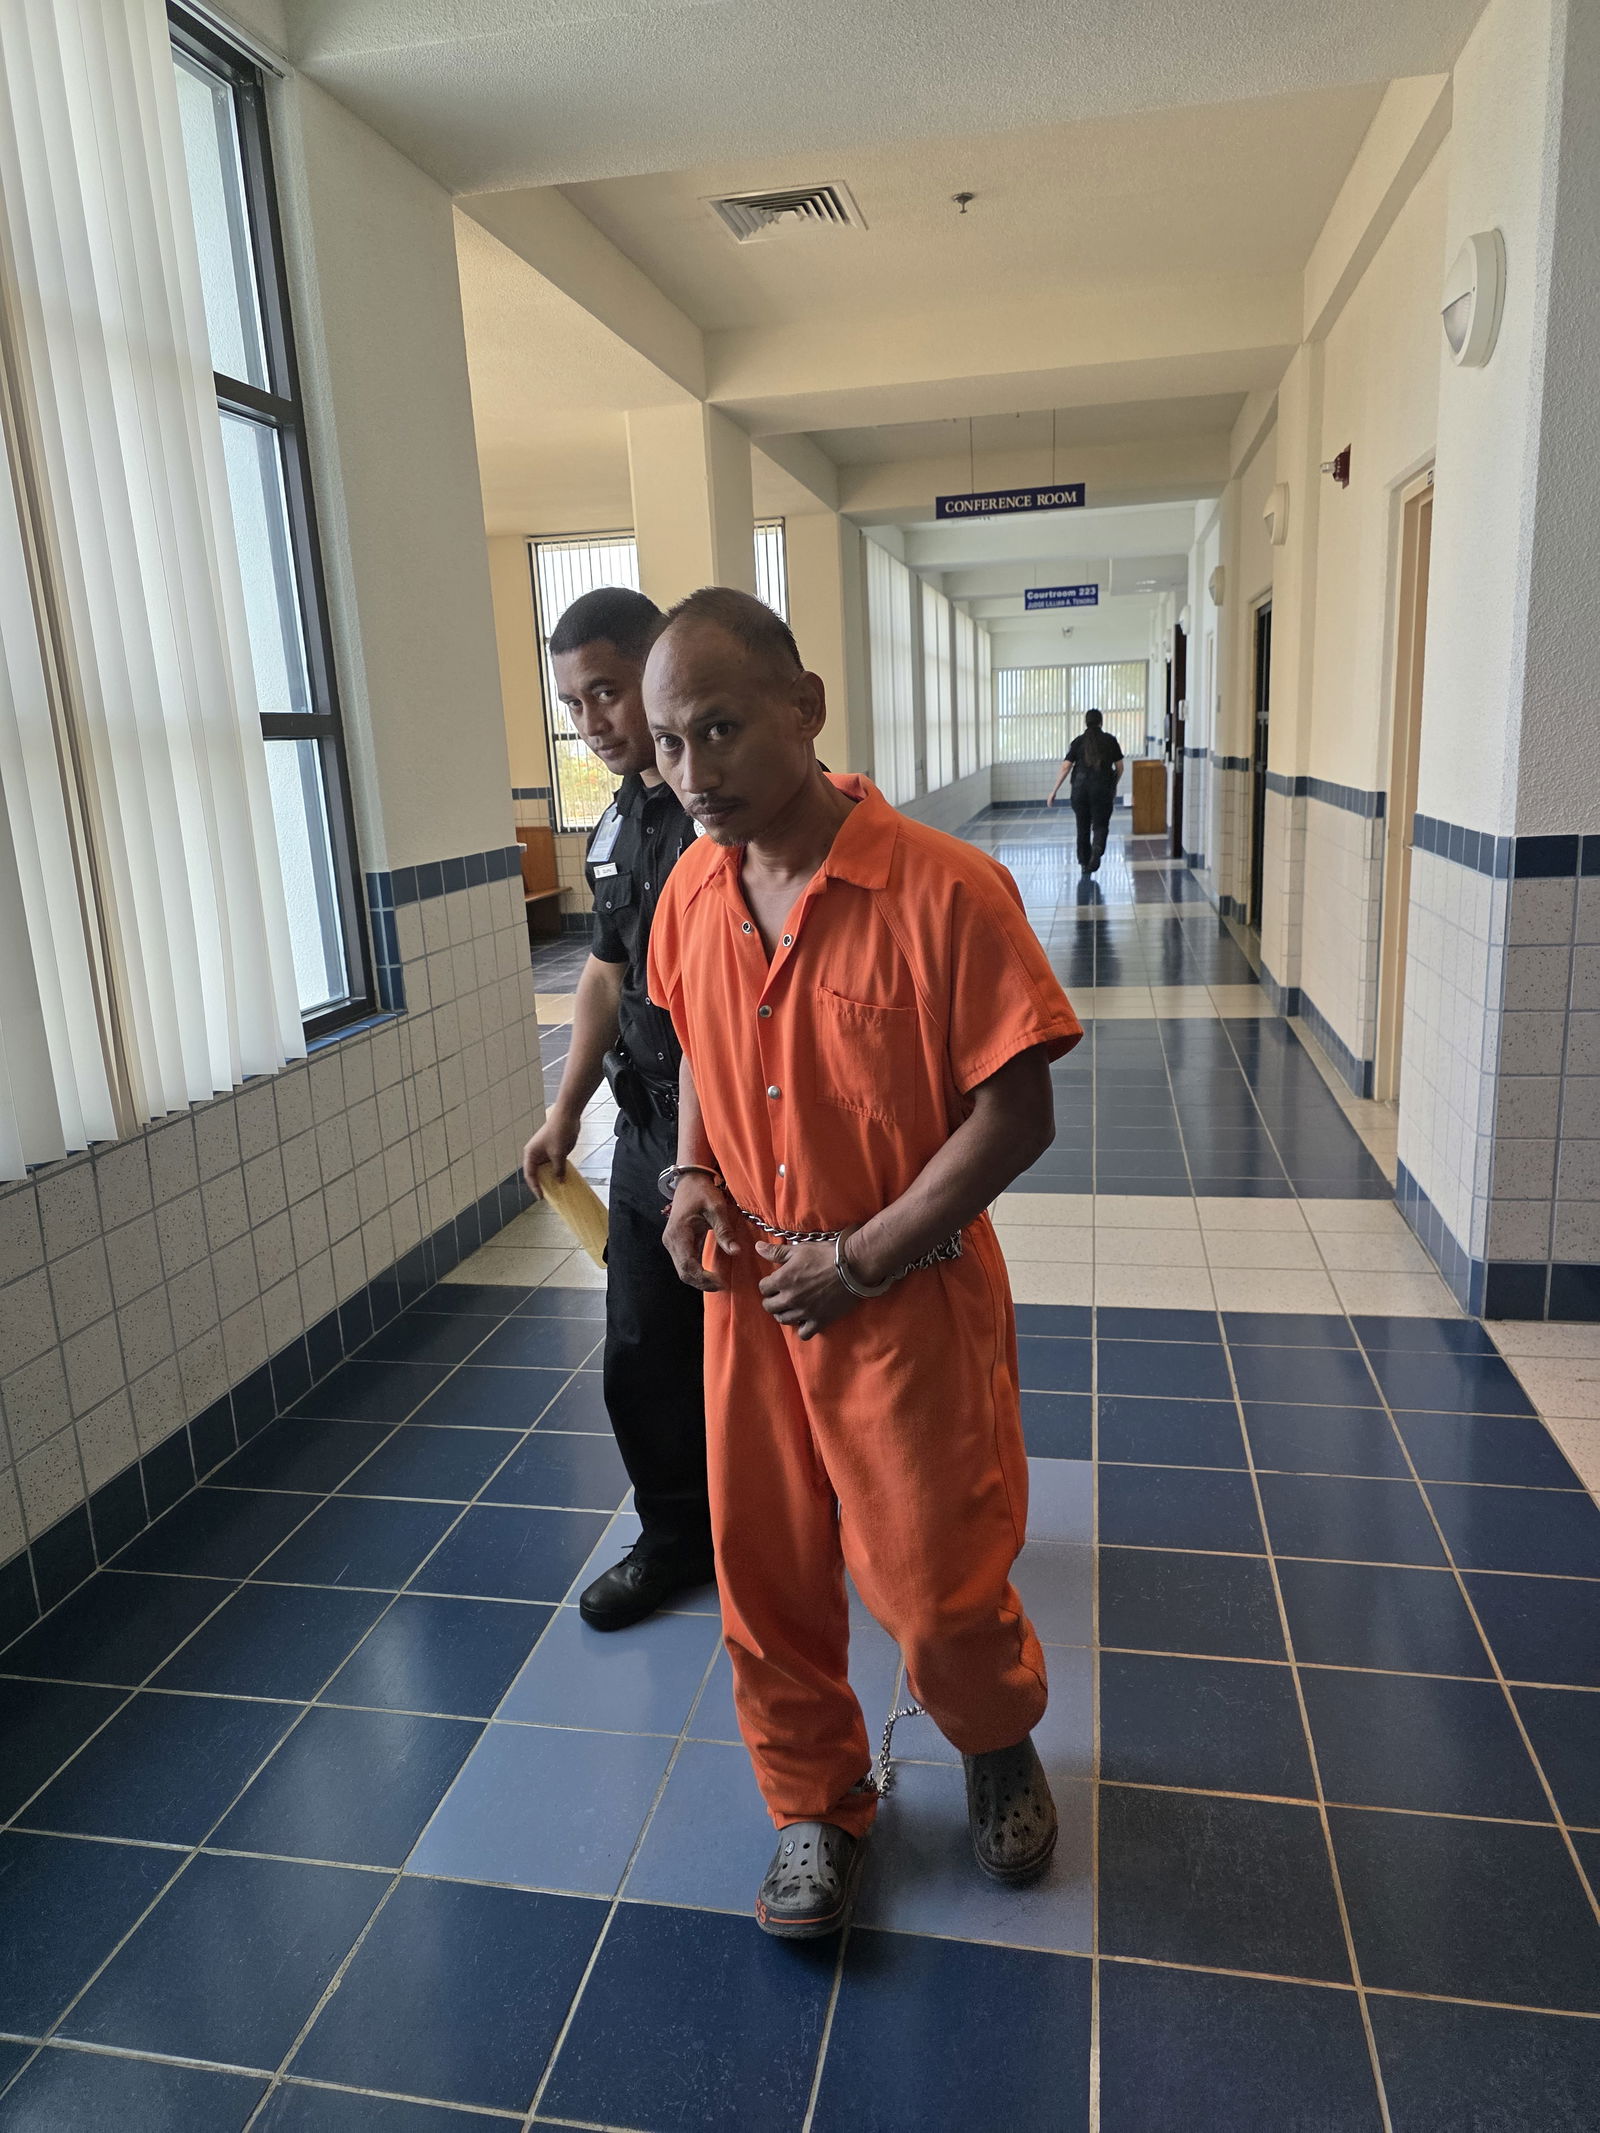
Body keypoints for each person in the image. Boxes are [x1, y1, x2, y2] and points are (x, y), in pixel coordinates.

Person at [644, 587, 1083, 1939]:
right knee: (766, 1573)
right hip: (753, 1295)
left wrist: (865, 1257)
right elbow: (702, 1049)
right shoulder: (692, 889)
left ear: (805, 708)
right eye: (668, 743)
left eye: (720, 727)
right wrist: (691, 1176)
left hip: (904, 1290)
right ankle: (813, 1803)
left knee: (938, 1586)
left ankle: (993, 1736)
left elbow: (1017, 1113)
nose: (694, 769)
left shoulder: (944, 890)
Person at [520, 587, 714, 1630]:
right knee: (642, 1351)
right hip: (646, 1134)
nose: (591, 721)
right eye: (572, 703)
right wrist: (566, 1113)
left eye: (607, 690)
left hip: (740, 1138)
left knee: (763, 1350)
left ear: (658, 671)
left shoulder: (719, 807)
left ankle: (798, 1521)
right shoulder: (620, 822)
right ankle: (678, 1537)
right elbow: (604, 973)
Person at [1047, 706, 1124, 872]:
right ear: (1101, 722)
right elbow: (1120, 767)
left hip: (1080, 790)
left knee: (1082, 828)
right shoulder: (1110, 740)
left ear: (1086, 722)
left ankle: (1084, 863)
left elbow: (1065, 767)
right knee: (1100, 825)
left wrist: (1054, 791)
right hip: (1102, 790)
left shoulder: (1078, 741)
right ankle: (1097, 849)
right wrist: (1113, 784)